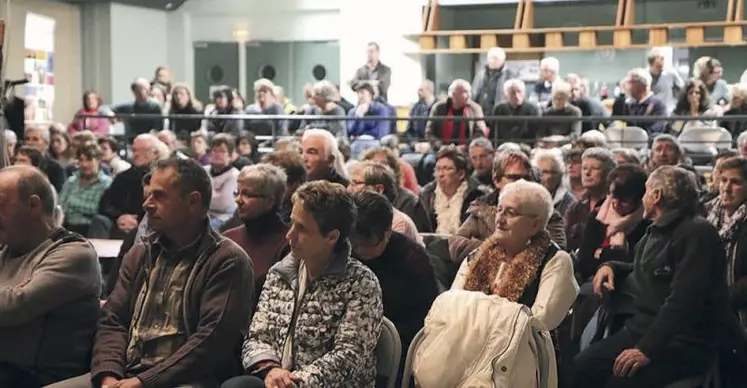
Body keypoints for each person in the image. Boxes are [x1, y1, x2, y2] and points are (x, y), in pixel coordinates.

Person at [49, 158, 254, 388]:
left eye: (159, 196)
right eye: (148, 194)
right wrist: (109, 374)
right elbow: (113, 321)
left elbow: (210, 342)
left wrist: (143, 382)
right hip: (125, 374)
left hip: (188, 379)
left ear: (193, 201)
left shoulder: (226, 260)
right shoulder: (141, 253)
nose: (146, 203)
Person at [574, 166, 729, 387]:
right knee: (582, 366)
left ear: (656, 196)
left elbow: (684, 301)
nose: (642, 198)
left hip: (682, 342)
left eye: (645, 192)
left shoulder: (696, 234)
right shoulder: (656, 230)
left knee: (617, 383)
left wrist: (646, 349)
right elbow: (645, 270)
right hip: (642, 329)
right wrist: (611, 266)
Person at [222, 181, 383, 388]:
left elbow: (349, 356)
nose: (289, 235)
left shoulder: (361, 283)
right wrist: (272, 370)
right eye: (292, 224)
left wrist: (296, 382)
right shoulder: (281, 273)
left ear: (332, 237)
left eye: (302, 228)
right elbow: (256, 337)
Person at [0, 166, 101, 387]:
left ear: (33, 205)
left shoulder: (74, 253)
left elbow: (14, 307)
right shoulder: (5, 251)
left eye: (1, 204)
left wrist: (12, 296)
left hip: (39, 376)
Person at [452, 179, 579, 331]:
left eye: (510, 213)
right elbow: (453, 304)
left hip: (525, 350)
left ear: (534, 224)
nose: (499, 220)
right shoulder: (477, 255)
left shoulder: (556, 261)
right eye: (499, 210)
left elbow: (538, 323)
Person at [349, 191, 438, 383]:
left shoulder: (413, 262)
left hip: (392, 346)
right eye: (352, 244)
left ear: (387, 233)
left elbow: (423, 321)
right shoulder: (342, 250)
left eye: (365, 245)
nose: (357, 251)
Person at [223, 164, 290, 313]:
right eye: (237, 193)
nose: (238, 200)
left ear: (270, 200)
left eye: (247, 194)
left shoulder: (288, 243)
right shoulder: (228, 238)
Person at [347, 161, 423, 246]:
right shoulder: (354, 216)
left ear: (379, 190)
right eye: (350, 183)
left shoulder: (398, 223)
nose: (349, 189)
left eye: (355, 183)